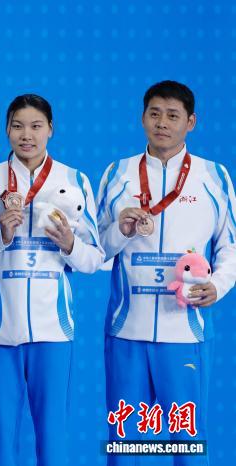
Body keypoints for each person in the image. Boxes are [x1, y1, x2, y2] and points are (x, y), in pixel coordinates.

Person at [96, 81, 236, 465]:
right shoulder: (118, 173)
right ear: (142, 117)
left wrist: (218, 285)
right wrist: (120, 230)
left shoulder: (213, 176)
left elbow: (231, 245)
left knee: (187, 443)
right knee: (125, 444)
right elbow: (96, 252)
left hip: (184, 331)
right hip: (126, 330)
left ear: (191, 122)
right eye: (155, 113)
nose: (162, 123)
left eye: (173, 115)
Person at [0, 94, 104, 466]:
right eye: (17, 126)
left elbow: (94, 259)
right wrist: (1, 235)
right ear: (6, 130)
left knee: (53, 437)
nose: (26, 135)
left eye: (35, 126)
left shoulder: (74, 180)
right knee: (1, 440)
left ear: (51, 129)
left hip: (53, 330)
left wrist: (69, 244)